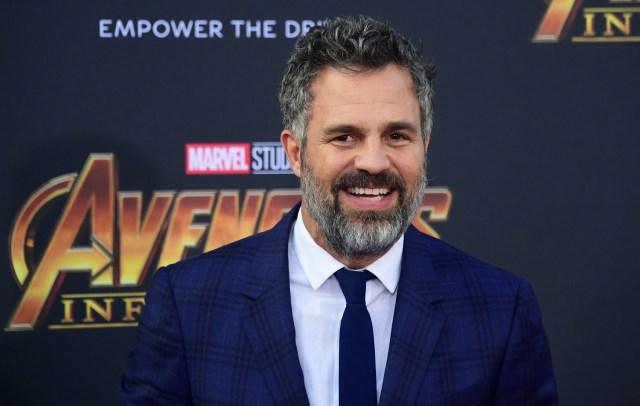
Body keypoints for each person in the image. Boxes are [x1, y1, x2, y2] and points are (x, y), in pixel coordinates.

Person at [121, 15, 558, 405]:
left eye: (397, 136)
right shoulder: (190, 301)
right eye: (345, 137)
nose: (374, 161)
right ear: (295, 153)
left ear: (425, 147)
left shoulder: (500, 308)